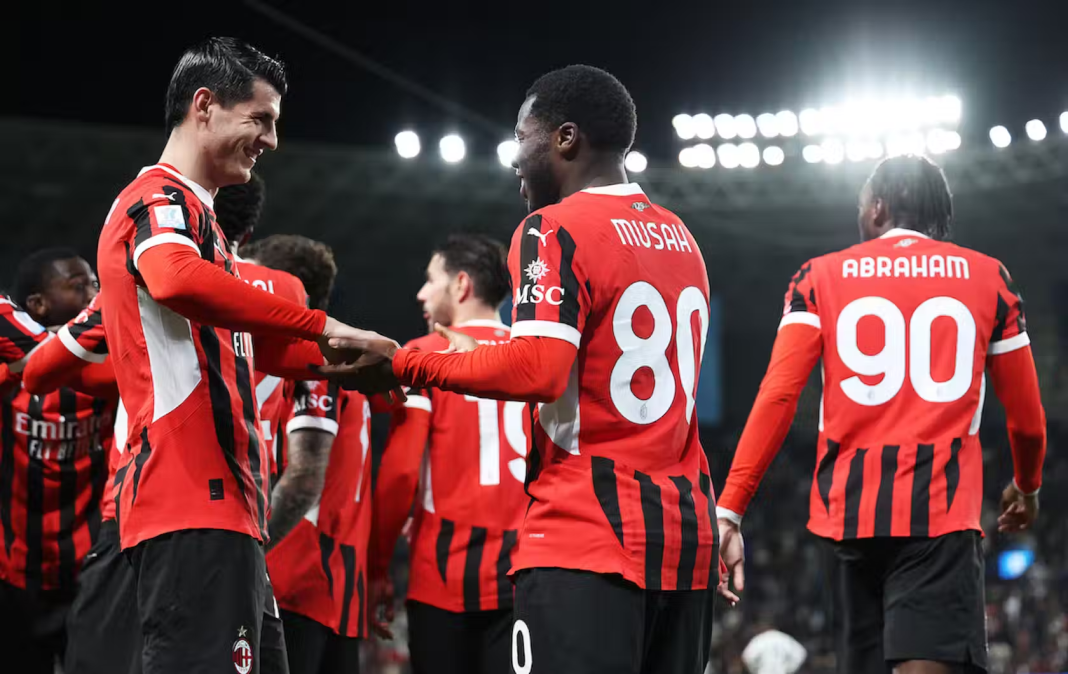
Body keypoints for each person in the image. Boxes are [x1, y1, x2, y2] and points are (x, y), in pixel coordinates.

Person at [324, 65, 722, 674]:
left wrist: (404, 362)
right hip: (684, 541)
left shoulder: (553, 228)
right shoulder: (682, 237)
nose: (515, 158)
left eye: (521, 137)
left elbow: (538, 370)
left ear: (565, 138)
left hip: (587, 538)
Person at [95, 37, 381, 674]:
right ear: (205, 105)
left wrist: (356, 364)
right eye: (261, 119)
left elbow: (259, 352)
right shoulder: (157, 197)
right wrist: (322, 323)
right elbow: (172, 278)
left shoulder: (208, 227)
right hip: (187, 500)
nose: (271, 140)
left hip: (231, 509)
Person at [715, 155, 1047, 674]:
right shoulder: (991, 278)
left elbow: (778, 397)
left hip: (846, 523)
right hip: (940, 520)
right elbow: (1027, 420)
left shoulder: (817, 277)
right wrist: (1026, 486)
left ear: (877, 208)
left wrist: (730, 510)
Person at [368, 234, 529, 674]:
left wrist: (378, 566)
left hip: (444, 577)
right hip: (525, 574)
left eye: (430, 280)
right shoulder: (532, 359)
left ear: (461, 285)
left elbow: (401, 473)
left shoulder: (424, 355)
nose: (421, 293)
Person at [249, 235, 372, 674]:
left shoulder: (312, 363)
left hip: (294, 575)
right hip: (336, 583)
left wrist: (247, 555)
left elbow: (304, 480)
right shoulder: (334, 362)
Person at [0, 248, 115, 674]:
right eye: (77, 285)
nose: (92, 293)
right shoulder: (9, 366)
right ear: (38, 304)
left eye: (95, 284)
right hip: (13, 567)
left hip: (87, 567)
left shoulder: (113, 360)